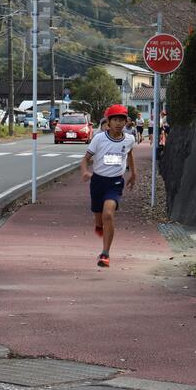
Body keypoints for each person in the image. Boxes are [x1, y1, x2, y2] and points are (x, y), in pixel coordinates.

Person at [80, 104, 136, 268]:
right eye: (115, 120)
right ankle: (98, 226)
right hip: (98, 181)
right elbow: (85, 158)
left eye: (121, 120)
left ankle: (105, 253)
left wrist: (133, 173)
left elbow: (130, 154)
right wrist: (85, 172)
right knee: (99, 217)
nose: (118, 123)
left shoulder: (129, 139)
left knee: (109, 215)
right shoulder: (99, 139)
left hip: (115, 182)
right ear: (108, 122)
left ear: (126, 122)